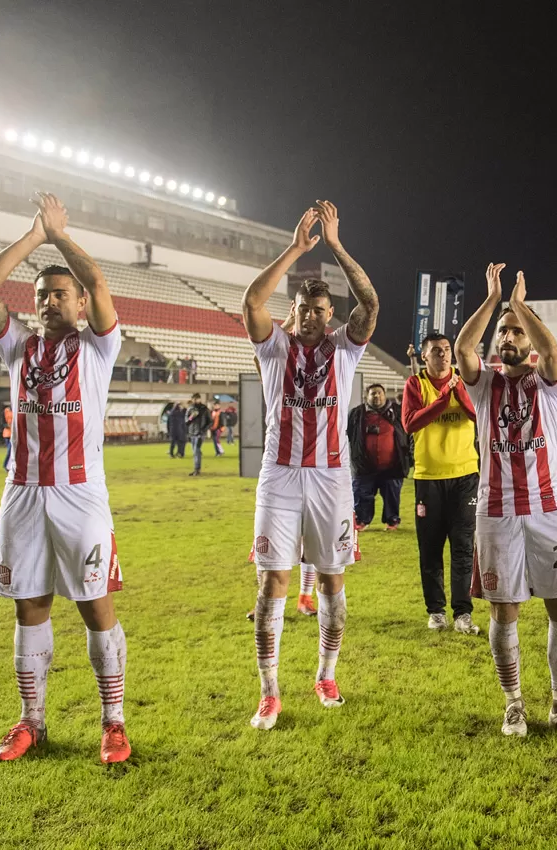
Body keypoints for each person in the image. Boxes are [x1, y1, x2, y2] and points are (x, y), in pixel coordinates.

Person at [0, 191, 130, 764]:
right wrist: (35, 236)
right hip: (22, 494)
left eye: (61, 294)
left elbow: (104, 285)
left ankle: (113, 722)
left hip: (80, 497)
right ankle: (31, 721)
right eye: (42, 296)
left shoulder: (98, 348)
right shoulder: (18, 348)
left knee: (95, 606)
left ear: (81, 303)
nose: (51, 302)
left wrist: (60, 236)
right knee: (29, 606)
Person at [242, 200, 378, 731]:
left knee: (330, 579)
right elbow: (252, 300)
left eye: (325, 311)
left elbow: (370, 302)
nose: (317, 318)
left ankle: (326, 673)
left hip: (330, 478)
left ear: (331, 316)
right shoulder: (274, 346)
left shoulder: (345, 350)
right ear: (294, 312)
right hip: (279, 474)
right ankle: (269, 691)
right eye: (307, 309)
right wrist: (297, 249)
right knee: (272, 582)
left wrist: (338, 247)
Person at [458, 262, 557, 739]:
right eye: (504, 332)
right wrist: (495, 302)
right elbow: (462, 349)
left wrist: (519, 306)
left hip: (548, 510)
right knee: (504, 611)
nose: (510, 337)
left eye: (517, 331)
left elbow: (552, 350)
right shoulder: (485, 385)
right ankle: (514, 703)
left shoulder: (546, 382)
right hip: (496, 512)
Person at [402, 333, 482, 634]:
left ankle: (463, 613)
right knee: (430, 549)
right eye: (436, 351)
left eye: (447, 350)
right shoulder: (415, 385)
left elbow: (479, 415)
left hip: (464, 476)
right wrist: (442, 401)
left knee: (463, 548)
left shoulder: (465, 382)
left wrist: (458, 394)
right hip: (429, 478)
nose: (444, 355)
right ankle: (436, 611)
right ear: (425, 356)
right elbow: (410, 423)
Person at [348, 384, 410, 532]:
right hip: (364, 465)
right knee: (362, 494)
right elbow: (349, 434)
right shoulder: (357, 413)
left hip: (392, 465)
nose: (377, 396)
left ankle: (392, 521)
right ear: (366, 396)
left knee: (392, 495)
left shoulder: (397, 412)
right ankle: (361, 520)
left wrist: (409, 456)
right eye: (373, 394)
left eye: (380, 393)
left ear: (385, 395)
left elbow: (408, 433)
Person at [185, 393, 212, 476]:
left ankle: (197, 469)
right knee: (195, 451)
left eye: (196, 399)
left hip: (200, 433)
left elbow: (210, 421)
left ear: (199, 399)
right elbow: (186, 421)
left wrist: (204, 429)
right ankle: (197, 468)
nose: (195, 400)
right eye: (194, 399)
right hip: (192, 433)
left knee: (196, 450)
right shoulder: (190, 409)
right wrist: (192, 417)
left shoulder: (204, 409)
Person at [1, 404, 13, 469]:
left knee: (11, 451)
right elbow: (2, 423)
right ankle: (6, 465)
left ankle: (8, 465)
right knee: (10, 450)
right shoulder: (6, 411)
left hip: (14, 434)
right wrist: (7, 425)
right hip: (7, 434)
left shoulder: (17, 410)